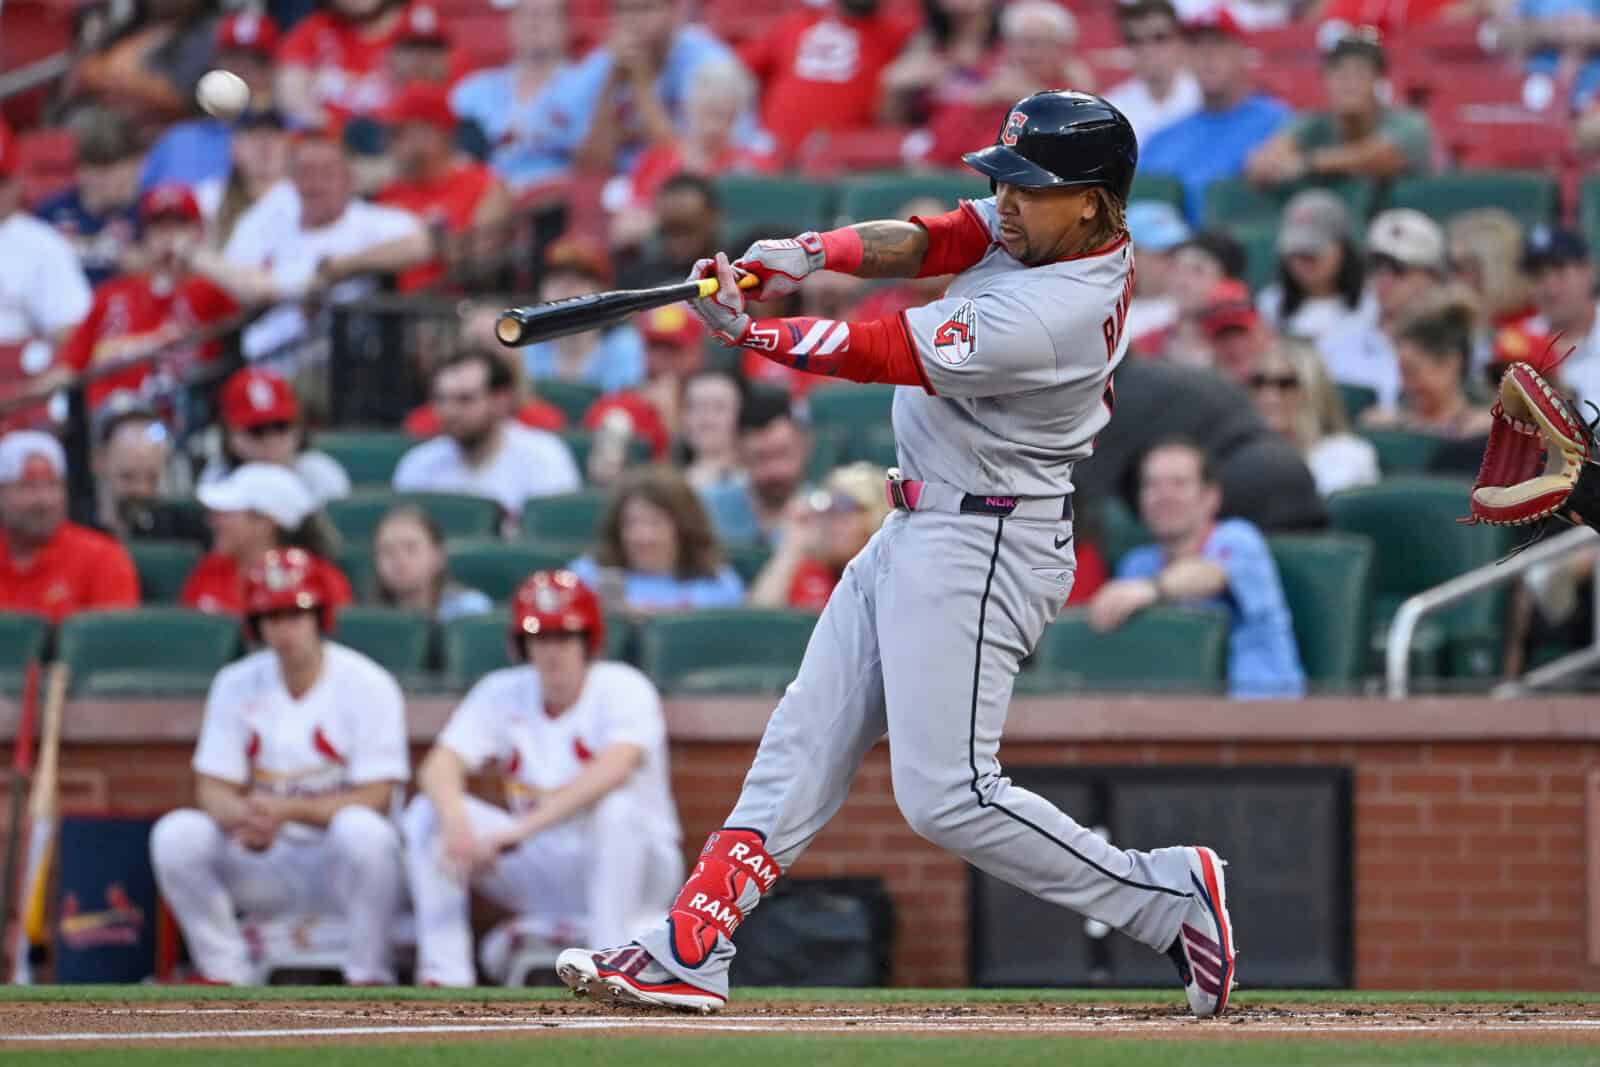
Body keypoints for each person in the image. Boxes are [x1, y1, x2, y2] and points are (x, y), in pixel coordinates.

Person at [554, 91, 1238, 1020]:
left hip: (989, 537)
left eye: (1029, 188)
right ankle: (693, 941)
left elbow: (884, 348)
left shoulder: (1060, 308)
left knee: (948, 794)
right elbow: (936, 238)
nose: (1006, 201)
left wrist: (753, 333)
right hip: (925, 520)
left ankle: (1166, 896)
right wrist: (812, 253)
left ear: (1092, 202)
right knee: (806, 733)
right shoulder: (1047, 231)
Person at [402, 570, 682, 986]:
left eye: (565, 637)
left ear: (588, 640)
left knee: (617, 809)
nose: (553, 651)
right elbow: (439, 764)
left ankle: (607, 966)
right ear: (523, 644)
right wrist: (455, 818)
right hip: (543, 860)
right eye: (541, 638)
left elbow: (614, 769)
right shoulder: (502, 690)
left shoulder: (624, 686)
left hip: (637, 873)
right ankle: (445, 975)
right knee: (427, 812)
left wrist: (519, 830)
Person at [150, 547, 409, 986]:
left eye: (296, 613)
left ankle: (368, 974)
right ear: (256, 624)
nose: (285, 627)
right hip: (266, 855)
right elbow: (211, 787)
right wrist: (243, 815)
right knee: (176, 834)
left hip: (337, 863)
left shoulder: (368, 683)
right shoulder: (235, 682)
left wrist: (286, 810)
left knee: (363, 831)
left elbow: (377, 796)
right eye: (272, 616)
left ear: (320, 616)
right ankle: (225, 973)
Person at [1090, 439, 1305, 699]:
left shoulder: (1239, 539)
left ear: (1210, 498)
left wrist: (1152, 588)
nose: (1164, 496)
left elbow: (1211, 574)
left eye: (1179, 484)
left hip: (1264, 716)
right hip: (1172, 717)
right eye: (1152, 485)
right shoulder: (1138, 564)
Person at [203, 130, 430, 364]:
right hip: (266, 361)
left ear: (348, 177)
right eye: (305, 172)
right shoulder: (270, 218)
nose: (315, 183)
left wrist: (340, 268)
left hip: (341, 365)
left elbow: (421, 244)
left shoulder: (371, 221)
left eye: (327, 172)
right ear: (291, 179)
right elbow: (243, 285)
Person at [53, 185, 239, 411]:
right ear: (145, 235)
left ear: (198, 231)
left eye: (180, 225)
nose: (170, 237)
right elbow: (70, 365)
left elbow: (256, 295)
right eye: (159, 227)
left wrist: (195, 256)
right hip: (113, 417)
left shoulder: (213, 288)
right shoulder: (112, 293)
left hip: (187, 410)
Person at [565, 0, 762, 177]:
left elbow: (694, 162)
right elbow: (590, 166)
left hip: (694, 192)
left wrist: (642, 91)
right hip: (624, 188)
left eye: (645, 8)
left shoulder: (708, 63)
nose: (632, 21)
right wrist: (609, 84)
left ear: (675, 12)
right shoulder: (605, 61)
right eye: (622, 10)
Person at [1139, 10, 1290, 221]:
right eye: (1197, 45)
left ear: (1241, 52)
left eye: (1219, 43)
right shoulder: (1161, 140)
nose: (1207, 55)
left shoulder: (1280, 124)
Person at [393, 350, 581, 516]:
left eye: (465, 400)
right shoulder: (418, 463)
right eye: (441, 399)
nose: (449, 412)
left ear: (500, 401)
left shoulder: (545, 456)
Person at [1245, 30, 1433, 189]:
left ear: (1378, 80)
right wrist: (1270, 163)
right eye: (1339, 74)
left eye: (1360, 73)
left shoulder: (1409, 122)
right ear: (1325, 80)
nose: (1349, 84)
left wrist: (1308, 163)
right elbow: (1264, 162)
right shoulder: (1312, 123)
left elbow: (1381, 156)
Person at [615, 61, 776, 244]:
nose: (714, 122)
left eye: (723, 112)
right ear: (687, 106)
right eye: (708, 109)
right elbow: (624, 228)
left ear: (736, 115)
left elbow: (759, 229)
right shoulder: (655, 160)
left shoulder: (754, 166)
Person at [738, 0, 919, 162]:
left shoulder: (898, 33)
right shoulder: (794, 24)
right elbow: (733, 70)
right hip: (773, 154)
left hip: (845, 162)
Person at [376, 81, 513, 291]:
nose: (392, 143)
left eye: (399, 133)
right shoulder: (388, 192)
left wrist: (433, 243)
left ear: (435, 134)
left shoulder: (484, 184)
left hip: (455, 306)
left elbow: (483, 259)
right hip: (396, 310)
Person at [139, 12, 281, 201]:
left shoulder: (296, 138)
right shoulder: (178, 141)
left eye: (255, 63)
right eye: (232, 61)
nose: (240, 75)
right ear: (214, 66)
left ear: (273, 72)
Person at [0, 430, 139, 621]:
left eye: (52, 486)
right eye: (27, 487)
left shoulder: (102, 558)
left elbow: (113, 643)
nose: (43, 501)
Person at [568, 465, 743, 615]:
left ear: (683, 527)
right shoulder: (589, 574)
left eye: (656, 523)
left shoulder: (717, 583)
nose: (643, 535)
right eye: (632, 522)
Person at [1317, 208, 1448, 409]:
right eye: (1376, 266)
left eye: (1399, 268)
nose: (1384, 279)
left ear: (1433, 277)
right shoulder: (1334, 342)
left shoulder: (1457, 344)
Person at [182, 462, 351, 616]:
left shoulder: (322, 580)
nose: (213, 522)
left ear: (266, 522)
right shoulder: (209, 569)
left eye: (227, 513)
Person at [449, 0, 583, 191]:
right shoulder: (474, 90)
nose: (534, 24)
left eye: (545, 15)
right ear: (510, 24)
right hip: (489, 199)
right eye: (525, 15)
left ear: (567, 25)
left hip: (562, 199)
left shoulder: (589, 84)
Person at [0, 120, 93, 391]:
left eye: (0, 180)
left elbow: (74, 332)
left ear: (18, 179)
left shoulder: (40, 243)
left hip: (18, 386)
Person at [748, 462, 891, 611]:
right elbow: (758, 618)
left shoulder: (892, 576)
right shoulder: (809, 571)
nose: (832, 520)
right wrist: (792, 546)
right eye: (828, 507)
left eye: (845, 506)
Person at [198, 367, 351, 505]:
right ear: (230, 436)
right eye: (256, 430)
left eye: (281, 426)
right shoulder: (217, 480)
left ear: (298, 428)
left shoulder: (319, 474)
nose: (271, 440)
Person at [1246, 342, 1378, 498]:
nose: (1269, 398)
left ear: (1313, 391)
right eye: (1259, 382)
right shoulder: (1244, 459)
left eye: (1286, 383)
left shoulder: (1346, 455)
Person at [514, 238, 646, 393]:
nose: (565, 288)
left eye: (577, 280)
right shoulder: (529, 344)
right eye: (556, 279)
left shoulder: (621, 344)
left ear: (602, 291)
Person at [33, 109, 144, 287]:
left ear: (135, 165)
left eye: (109, 169)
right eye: (90, 168)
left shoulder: (151, 212)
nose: (99, 180)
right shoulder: (50, 212)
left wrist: (146, 265)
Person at [68, 0, 220, 125]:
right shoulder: (129, 27)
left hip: (155, 131)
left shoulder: (207, 33)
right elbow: (81, 73)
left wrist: (101, 79)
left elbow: (178, 95)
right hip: (94, 115)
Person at [1361, 295, 1494, 438]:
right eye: (1402, 372)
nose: (1405, 383)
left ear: (1450, 364)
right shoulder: (1388, 423)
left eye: (1412, 372)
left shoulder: (1485, 429)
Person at [700, 390, 814, 548]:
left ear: (804, 447)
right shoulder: (709, 508)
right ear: (740, 454)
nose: (775, 471)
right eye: (761, 458)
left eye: (783, 454)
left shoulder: (824, 512)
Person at [1257, 189, 1369, 347]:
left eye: (1311, 253)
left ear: (1341, 248)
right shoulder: (1269, 305)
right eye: (1294, 253)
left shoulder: (1371, 304)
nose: (1301, 263)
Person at [275, 0, 410, 129]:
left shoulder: (417, 24)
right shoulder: (314, 30)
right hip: (328, 144)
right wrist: (334, 131)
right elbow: (291, 97)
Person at [1519, 224, 1600, 409]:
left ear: (1589, 271)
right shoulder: (1514, 341)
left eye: (1560, 270)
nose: (1550, 288)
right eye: (1538, 275)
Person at [1446, 208, 1536, 369]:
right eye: (1450, 266)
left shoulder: (1533, 329)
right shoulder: (1455, 321)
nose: (1452, 278)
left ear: (1493, 271)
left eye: (1460, 267)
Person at [370, 504, 492, 622]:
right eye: (387, 551)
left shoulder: (469, 609)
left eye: (410, 548)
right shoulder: (371, 618)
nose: (399, 559)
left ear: (438, 556)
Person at [1104, 0, 1201, 146]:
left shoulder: (1207, 99)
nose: (1147, 49)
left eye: (1159, 37)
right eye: (1135, 40)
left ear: (1180, 41)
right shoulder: (1111, 112)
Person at [616, 174, 724, 291]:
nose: (679, 242)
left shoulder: (736, 274)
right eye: (671, 231)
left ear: (712, 218)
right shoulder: (636, 280)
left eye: (687, 229)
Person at [86, 403, 176, 540]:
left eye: (152, 478)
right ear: (99, 461)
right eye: (128, 477)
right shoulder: (78, 530)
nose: (142, 490)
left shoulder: (176, 532)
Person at [1125, 200, 1191, 352]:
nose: (1177, 262)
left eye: (1180, 252)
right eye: (1165, 254)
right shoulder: (1107, 313)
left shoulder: (1193, 308)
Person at [1194, 279, 1276, 385]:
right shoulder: (1198, 389)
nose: (1235, 348)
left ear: (1266, 333)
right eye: (1222, 337)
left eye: (1242, 334)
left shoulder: (1295, 381)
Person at [680, 369, 746, 494]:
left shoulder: (755, 483)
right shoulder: (671, 483)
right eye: (696, 407)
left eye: (719, 408)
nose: (707, 419)